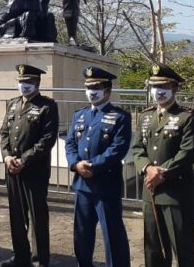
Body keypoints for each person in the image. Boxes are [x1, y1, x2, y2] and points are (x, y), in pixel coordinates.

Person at [130, 64, 194, 267]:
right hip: (150, 191)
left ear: (175, 88)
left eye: (164, 86)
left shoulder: (187, 117)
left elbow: (187, 152)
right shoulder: (145, 116)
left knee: (182, 246)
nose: (158, 91)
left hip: (176, 192)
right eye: (154, 86)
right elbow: (137, 148)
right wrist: (147, 168)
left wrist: (162, 172)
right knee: (153, 247)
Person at [65, 66, 131, 267]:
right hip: (83, 185)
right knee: (82, 232)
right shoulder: (80, 115)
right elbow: (70, 144)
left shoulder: (120, 117)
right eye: (88, 87)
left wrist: (92, 166)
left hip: (106, 184)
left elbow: (117, 149)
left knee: (112, 233)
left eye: (97, 87)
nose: (92, 91)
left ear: (108, 90)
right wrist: (76, 164)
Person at [0, 64, 59, 267]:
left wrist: (24, 160)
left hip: (34, 170)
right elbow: (4, 133)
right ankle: (21, 256)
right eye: (21, 81)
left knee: (37, 216)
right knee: (17, 215)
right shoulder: (13, 104)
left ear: (37, 83)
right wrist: (7, 157)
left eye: (29, 82)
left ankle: (41, 259)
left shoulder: (47, 106)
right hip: (12, 169)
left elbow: (47, 140)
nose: (24, 85)